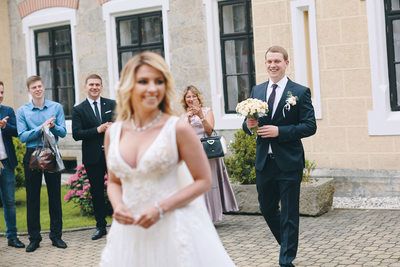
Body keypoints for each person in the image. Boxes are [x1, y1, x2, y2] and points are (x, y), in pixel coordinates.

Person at [100, 51, 235, 266]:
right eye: (143, 81)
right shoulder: (113, 133)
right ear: (128, 86)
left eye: (159, 81)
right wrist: (118, 206)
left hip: (173, 226)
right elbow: (115, 182)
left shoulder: (177, 128)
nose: (152, 88)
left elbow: (203, 180)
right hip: (130, 231)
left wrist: (160, 208)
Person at [242, 46, 316, 267]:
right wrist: (248, 125)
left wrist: (279, 131)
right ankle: (287, 245)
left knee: (289, 213)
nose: (272, 65)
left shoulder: (299, 92)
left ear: (286, 63)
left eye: (277, 61)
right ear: (265, 64)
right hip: (265, 161)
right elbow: (248, 125)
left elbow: (309, 126)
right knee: (266, 208)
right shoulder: (257, 90)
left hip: (289, 162)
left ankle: (286, 261)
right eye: (269, 61)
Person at [17, 75, 67, 252]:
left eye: (39, 86)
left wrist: (52, 126)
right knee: (32, 198)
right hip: (32, 154)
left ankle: (56, 236)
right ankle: (34, 238)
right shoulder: (23, 111)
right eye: (33, 88)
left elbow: (63, 132)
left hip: (51, 152)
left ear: (43, 87)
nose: (37, 89)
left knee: (54, 196)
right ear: (29, 91)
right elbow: (22, 136)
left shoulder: (56, 107)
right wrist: (41, 127)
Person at [181, 85, 238, 222]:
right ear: (185, 100)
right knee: (194, 183)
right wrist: (187, 120)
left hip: (208, 151)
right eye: (188, 97)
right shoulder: (183, 116)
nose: (191, 99)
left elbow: (210, 131)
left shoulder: (207, 111)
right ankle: (199, 216)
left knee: (210, 184)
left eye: (194, 96)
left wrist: (201, 116)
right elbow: (183, 136)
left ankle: (212, 216)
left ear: (198, 98)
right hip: (192, 154)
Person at [72, 74, 116, 240]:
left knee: (117, 189)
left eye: (97, 84)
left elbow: (120, 124)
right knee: (97, 192)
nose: (94, 87)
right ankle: (100, 227)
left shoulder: (112, 104)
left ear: (101, 86)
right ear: (86, 87)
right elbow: (76, 134)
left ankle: (120, 224)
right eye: (91, 84)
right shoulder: (79, 109)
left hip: (112, 155)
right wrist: (97, 130)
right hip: (93, 158)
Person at [0, 81, 25, 249]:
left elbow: (17, 131)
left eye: (2, 92)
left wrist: (4, 126)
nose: (0, 95)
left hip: (6, 164)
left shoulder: (7, 111)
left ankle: (12, 236)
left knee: (9, 201)